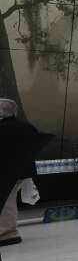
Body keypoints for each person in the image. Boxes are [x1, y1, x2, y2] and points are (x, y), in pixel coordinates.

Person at [0, 99, 38, 247]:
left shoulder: (2, 128)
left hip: (6, 171)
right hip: (22, 170)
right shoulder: (27, 127)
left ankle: (7, 234)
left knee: (6, 201)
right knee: (9, 199)